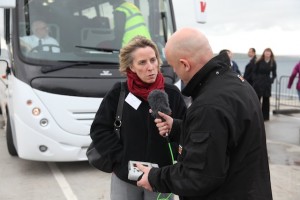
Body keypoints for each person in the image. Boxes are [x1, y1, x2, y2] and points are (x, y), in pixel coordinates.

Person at [136, 27, 273, 200]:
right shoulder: (238, 83)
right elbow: (222, 137)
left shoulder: (208, 105)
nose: (174, 72)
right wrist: (178, 127)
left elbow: (197, 175)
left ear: (185, 64)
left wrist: (154, 177)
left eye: (173, 66)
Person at [89, 36, 187, 200]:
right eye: (142, 62)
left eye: (153, 60)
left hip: (161, 177)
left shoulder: (172, 94)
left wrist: (170, 158)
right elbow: (100, 129)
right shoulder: (118, 93)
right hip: (125, 176)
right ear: (131, 67)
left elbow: (187, 130)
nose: (150, 67)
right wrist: (120, 159)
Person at [252, 48, 277, 121]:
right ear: (264, 53)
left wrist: (271, 80)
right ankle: (256, 115)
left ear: (271, 54)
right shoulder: (259, 61)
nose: (267, 54)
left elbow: (274, 74)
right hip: (258, 82)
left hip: (267, 83)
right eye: (266, 52)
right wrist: (255, 79)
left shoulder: (273, 62)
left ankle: (265, 117)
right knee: (257, 99)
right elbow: (254, 72)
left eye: (269, 52)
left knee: (266, 100)